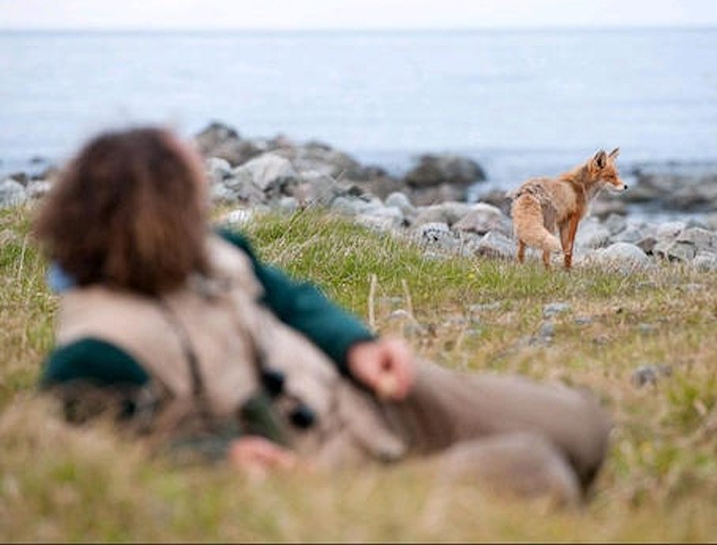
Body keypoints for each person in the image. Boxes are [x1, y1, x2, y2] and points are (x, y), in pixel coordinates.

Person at [36, 126, 611, 502]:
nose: (204, 204)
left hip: (371, 395)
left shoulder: (212, 252)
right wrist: (221, 457)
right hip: (327, 472)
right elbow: (120, 458)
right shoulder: (93, 351)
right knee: (539, 473)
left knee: (584, 426)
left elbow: (292, 300)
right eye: (193, 197)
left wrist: (356, 345)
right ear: (153, 217)